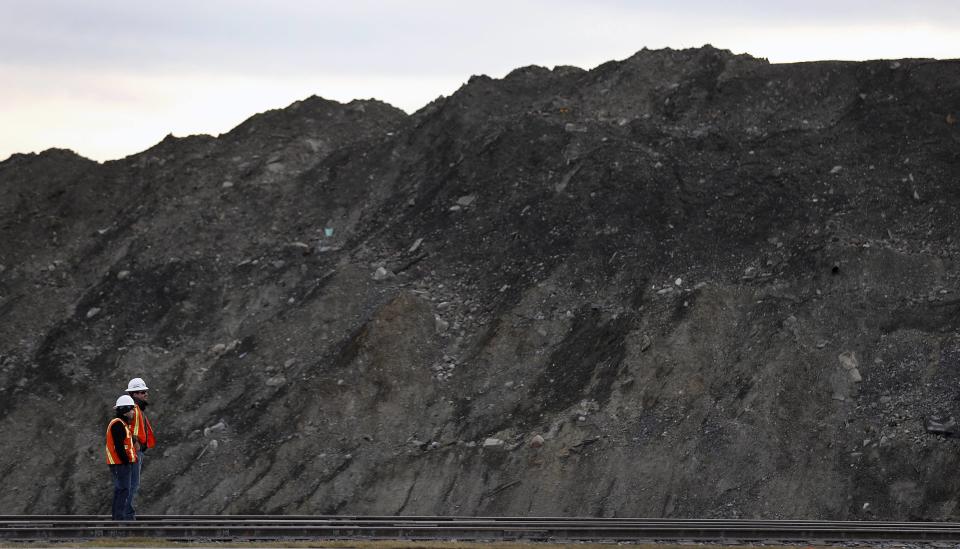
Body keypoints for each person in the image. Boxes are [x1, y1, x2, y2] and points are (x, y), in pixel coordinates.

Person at [126, 377, 155, 520]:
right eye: (142, 392)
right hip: (134, 451)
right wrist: (135, 442)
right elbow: (126, 429)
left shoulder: (136, 409)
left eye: (145, 391)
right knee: (132, 484)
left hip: (136, 451)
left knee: (131, 484)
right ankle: (127, 516)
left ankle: (125, 514)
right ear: (134, 394)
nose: (146, 394)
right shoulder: (133, 409)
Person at [105, 395, 138, 521]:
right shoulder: (118, 424)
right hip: (120, 464)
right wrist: (126, 462)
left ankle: (117, 519)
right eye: (131, 409)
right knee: (123, 490)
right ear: (125, 409)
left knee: (120, 490)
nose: (133, 412)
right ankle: (118, 520)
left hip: (120, 463)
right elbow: (119, 447)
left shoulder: (120, 424)